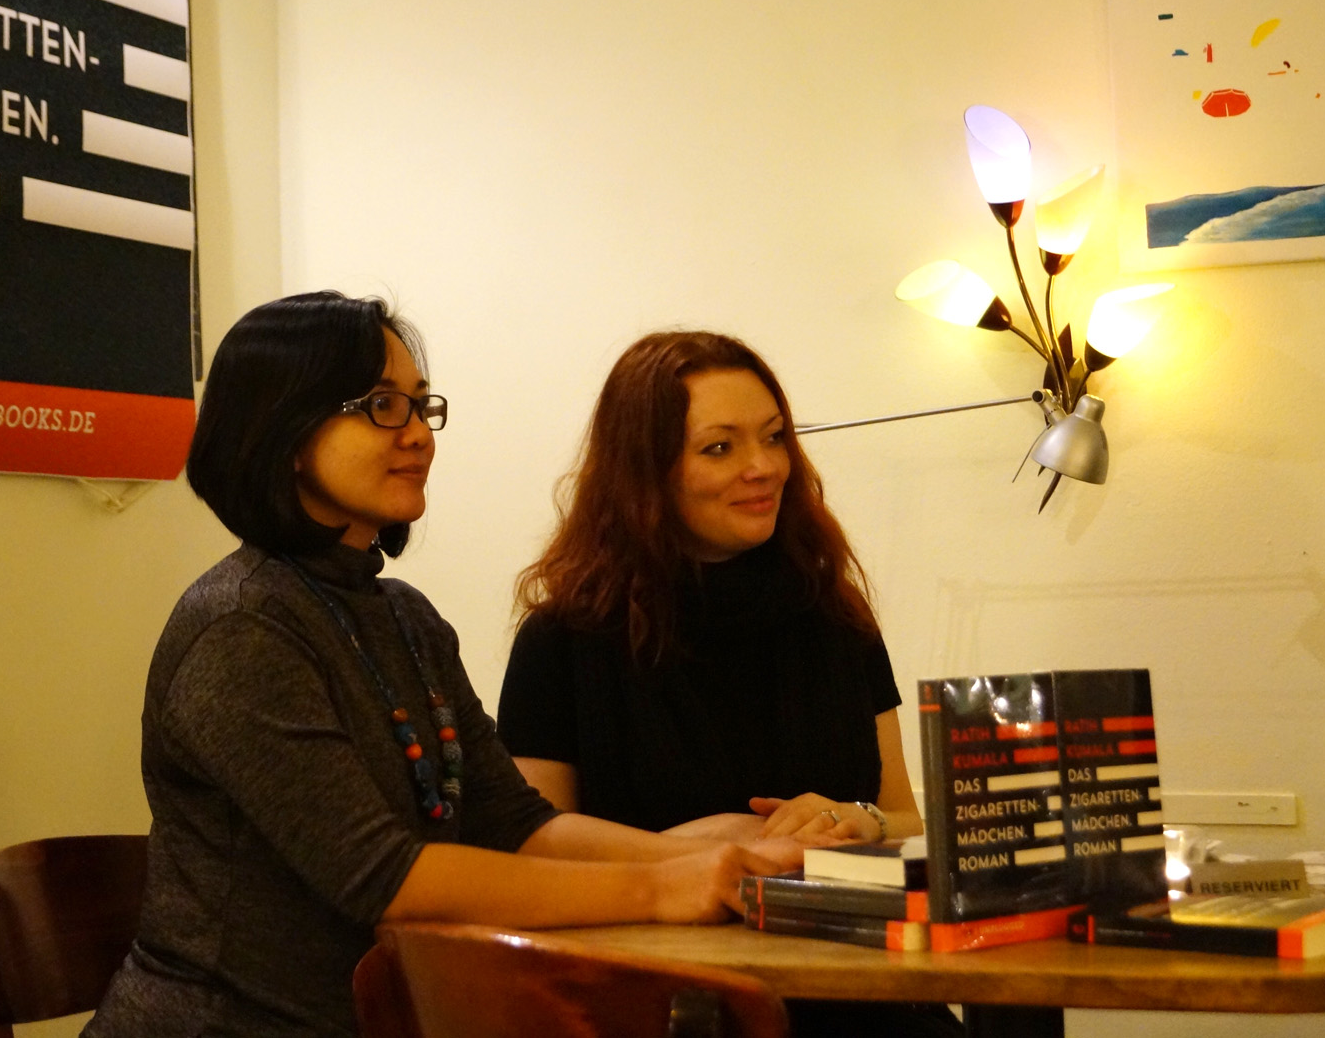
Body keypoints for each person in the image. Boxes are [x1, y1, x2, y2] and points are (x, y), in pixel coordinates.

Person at [85, 295, 794, 1038]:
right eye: (382, 405)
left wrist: (722, 856)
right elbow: (386, 879)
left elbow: (513, 821)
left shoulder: (404, 617)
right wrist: (661, 886)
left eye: (421, 406)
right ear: (286, 431)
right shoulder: (241, 627)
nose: (419, 433)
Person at [497, 330, 961, 1037]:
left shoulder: (834, 615)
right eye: (719, 447)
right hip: (663, 1005)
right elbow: (532, 851)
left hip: (859, 992)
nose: (763, 467)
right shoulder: (563, 638)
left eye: (774, 438)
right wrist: (699, 850)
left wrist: (852, 819)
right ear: (645, 471)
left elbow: (905, 821)